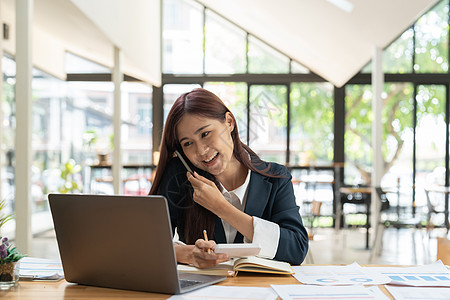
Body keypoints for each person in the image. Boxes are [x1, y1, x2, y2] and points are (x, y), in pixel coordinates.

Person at [149, 88, 308, 268]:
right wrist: (187, 253)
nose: (201, 151)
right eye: (188, 143)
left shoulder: (276, 179)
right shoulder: (180, 179)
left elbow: (296, 249)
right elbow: (147, 245)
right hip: (202, 293)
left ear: (229, 122)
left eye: (205, 134)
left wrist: (221, 208)